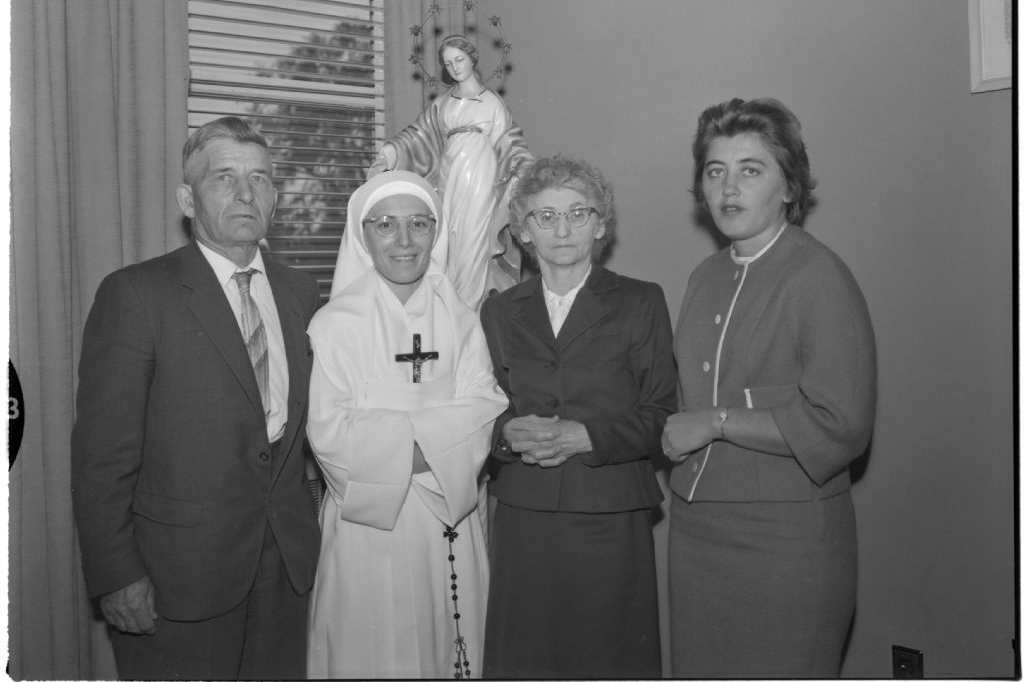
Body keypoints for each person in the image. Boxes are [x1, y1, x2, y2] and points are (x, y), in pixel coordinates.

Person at [71, 117, 321, 680]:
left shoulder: (301, 293)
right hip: (177, 581)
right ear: (188, 199)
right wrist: (117, 574)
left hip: (285, 570)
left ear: (275, 199)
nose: (245, 193)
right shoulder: (136, 294)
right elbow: (102, 454)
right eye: (224, 177)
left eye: (260, 179)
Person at [662, 97, 877, 678]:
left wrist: (717, 421)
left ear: (789, 187)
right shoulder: (705, 276)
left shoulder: (818, 274)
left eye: (750, 170)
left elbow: (842, 425)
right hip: (696, 531)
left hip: (787, 541)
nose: (728, 188)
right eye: (715, 171)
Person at [480, 155, 676, 678]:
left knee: (606, 658)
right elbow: (485, 411)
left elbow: (662, 414)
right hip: (525, 514)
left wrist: (587, 436)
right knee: (526, 658)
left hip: (609, 511)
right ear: (524, 230)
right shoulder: (499, 311)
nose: (562, 229)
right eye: (545, 216)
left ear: (601, 225)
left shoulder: (640, 301)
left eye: (578, 213)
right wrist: (506, 434)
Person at [306, 171, 506, 679]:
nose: (404, 240)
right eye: (385, 224)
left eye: (419, 223)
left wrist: (397, 446)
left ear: (435, 232)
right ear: (362, 234)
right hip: (369, 522)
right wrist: (434, 445)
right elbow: (328, 432)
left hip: (448, 514)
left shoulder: (461, 320)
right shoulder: (334, 324)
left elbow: (484, 407)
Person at [366, 34, 534, 310]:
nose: (455, 67)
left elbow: (511, 143)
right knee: (446, 243)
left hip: (480, 180)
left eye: (459, 59)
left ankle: (468, 311)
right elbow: (417, 135)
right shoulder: (443, 103)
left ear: (472, 59)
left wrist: (525, 171)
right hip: (448, 178)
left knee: (473, 242)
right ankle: (448, 308)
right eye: (448, 63)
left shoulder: (492, 103)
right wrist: (389, 154)